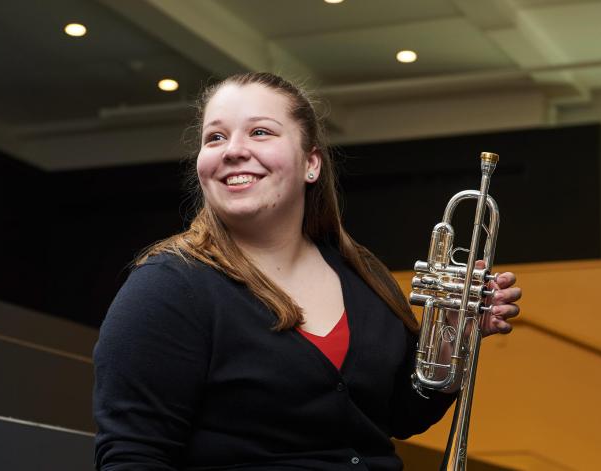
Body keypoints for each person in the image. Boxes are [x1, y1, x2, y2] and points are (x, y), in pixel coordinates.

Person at [92, 72, 522, 470]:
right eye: (215, 137)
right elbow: (133, 456)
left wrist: (449, 335)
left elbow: (398, 417)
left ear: (311, 163)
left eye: (260, 132)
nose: (234, 149)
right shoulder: (168, 286)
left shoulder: (362, 274)